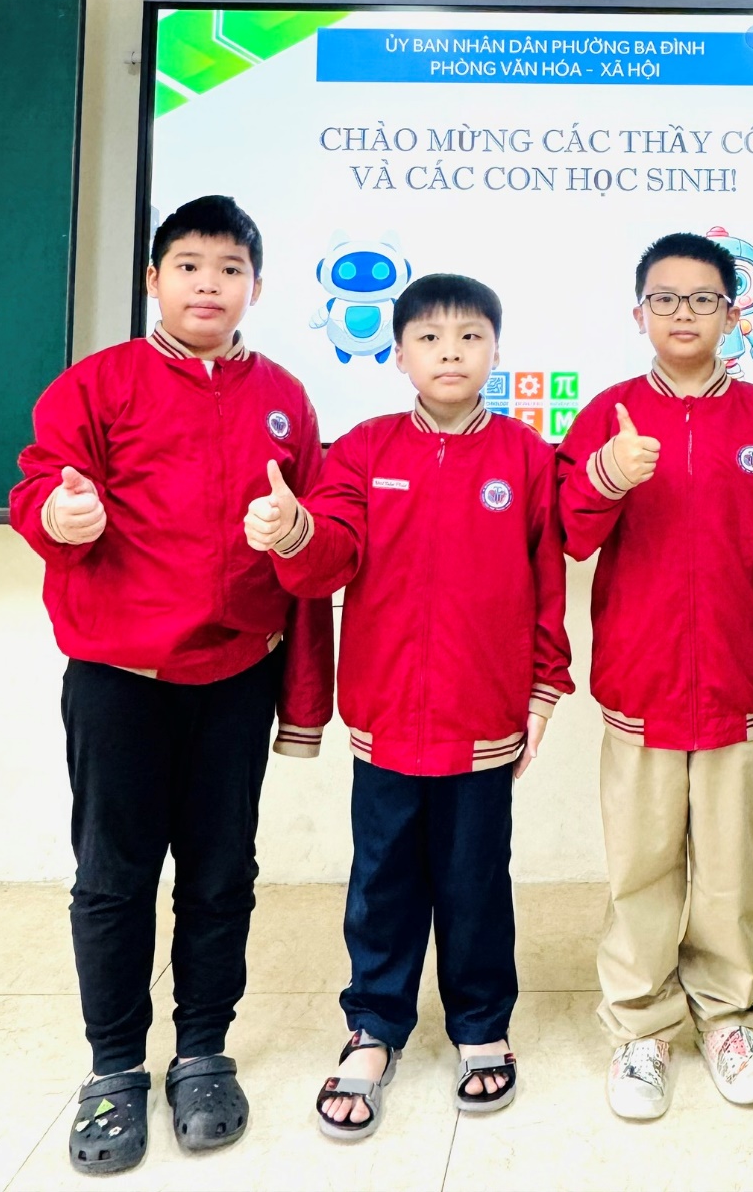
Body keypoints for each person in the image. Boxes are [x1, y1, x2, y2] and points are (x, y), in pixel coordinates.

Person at [9, 195, 334, 1178]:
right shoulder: (96, 385)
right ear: (154, 279)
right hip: (119, 679)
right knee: (112, 879)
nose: (208, 284)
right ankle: (114, 1069)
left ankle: (201, 1053)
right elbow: (43, 487)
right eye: (188, 265)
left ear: (256, 288)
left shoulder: (284, 397)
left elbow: (313, 532)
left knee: (221, 875)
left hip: (237, 674)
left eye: (228, 269)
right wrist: (57, 517)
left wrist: (296, 538)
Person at [244, 273, 572, 1139]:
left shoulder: (527, 456)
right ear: (398, 354)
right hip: (386, 713)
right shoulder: (361, 449)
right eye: (430, 337)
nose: (451, 351)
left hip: (485, 715)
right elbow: (332, 553)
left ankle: (479, 1025)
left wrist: (544, 684)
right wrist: (292, 530)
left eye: (470, 336)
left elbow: (548, 584)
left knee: (474, 879)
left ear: (496, 350)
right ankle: (375, 1027)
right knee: (383, 877)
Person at [558, 233, 753, 1120]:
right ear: (639, 311)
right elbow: (570, 531)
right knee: (641, 865)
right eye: (666, 299)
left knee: (728, 869)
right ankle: (641, 1028)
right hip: (640, 685)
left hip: (740, 684)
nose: (683, 313)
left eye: (702, 299)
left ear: (732, 312)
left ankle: (726, 1015)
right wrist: (608, 474)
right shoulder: (607, 412)